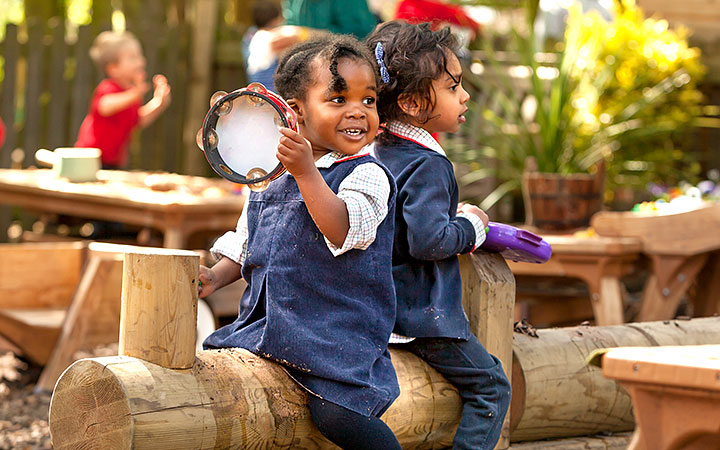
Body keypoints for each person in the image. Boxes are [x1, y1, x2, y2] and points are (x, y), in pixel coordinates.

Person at [199, 34, 402, 450]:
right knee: (216, 379)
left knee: (337, 414)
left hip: (335, 336)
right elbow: (250, 240)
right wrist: (216, 278)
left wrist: (308, 174)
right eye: (338, 99)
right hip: (269, 326)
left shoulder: (366, 174)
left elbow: (343, 229)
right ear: (295, 113)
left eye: (369, 101)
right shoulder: (268, 173)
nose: (357, 113)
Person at [366, 20, 511, 450]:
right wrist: (471, 227)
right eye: (452, 88)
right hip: (420, 316)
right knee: (492, 387)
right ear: (411, 102)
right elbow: (428, 241)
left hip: (380, 309)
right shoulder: (428, 164)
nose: (464, 96)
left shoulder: (378, 149)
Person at [75, 31, 171, 169]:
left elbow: (138, 120)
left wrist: (159, 102)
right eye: (133, 58)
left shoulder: (130, 95)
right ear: (113, 68)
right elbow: (105, 106)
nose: (141, 62)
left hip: (113, 163)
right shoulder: (108, 88)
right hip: (89, 160)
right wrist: (135, 94)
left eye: (140, 56)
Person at [242, 1, 309, 92]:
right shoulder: (275, 37)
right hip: (273, 92)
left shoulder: (249, 37)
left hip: (256, 89)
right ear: (276, 19)